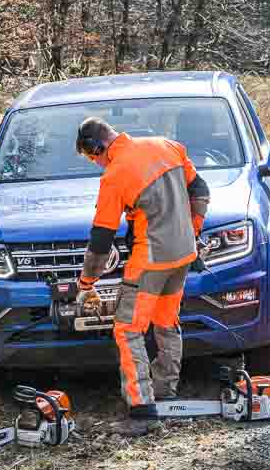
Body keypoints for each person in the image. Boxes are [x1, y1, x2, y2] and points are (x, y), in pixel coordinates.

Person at [74, 116, 210, 433]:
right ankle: (165, 390)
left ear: (98, 146)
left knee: (127, 329)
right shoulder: (166, 146)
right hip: (183, 255)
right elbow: (200, 189)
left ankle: (141, 407)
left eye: (92, 157)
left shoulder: (114, 175)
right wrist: (193, 230)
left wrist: (86, 283)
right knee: (165, 321)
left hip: (149, 260)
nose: (96, 163)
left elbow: (100, 241)